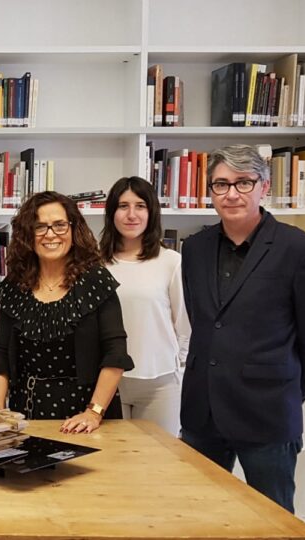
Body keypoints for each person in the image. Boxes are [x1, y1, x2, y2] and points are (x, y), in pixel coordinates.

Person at [180, 144, 305, 512]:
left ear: (264, 187)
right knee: (197, 516)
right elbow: (205, 322)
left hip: (267, 413)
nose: (232, 194)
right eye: (221, 185)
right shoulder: (194, 248)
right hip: (202, 410)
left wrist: (288, 388)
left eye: (243, 183)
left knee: (273, 520)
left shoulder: (301, 250)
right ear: (211, 191)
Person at [0, 191, 133, 434]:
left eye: (59, 225)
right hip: (26, 411)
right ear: (27, 235)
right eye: (40, 227)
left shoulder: (96, 281)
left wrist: (93, 412)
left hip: (86, 414)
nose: (50, 234)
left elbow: (115, 354)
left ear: (74, 229)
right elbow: (0, 354)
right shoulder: (16, 285)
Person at [100, 176, 190, 436]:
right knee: (113, 465)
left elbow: (184, 325)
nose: (131, 215)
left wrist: (178, 369)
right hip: (107, 382)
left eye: (140, 206)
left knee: (159, 466)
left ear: (152, 212)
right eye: (123, 206)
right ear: (111, 213)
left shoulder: (171, 262)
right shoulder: (95, 263)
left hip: (159, 382)